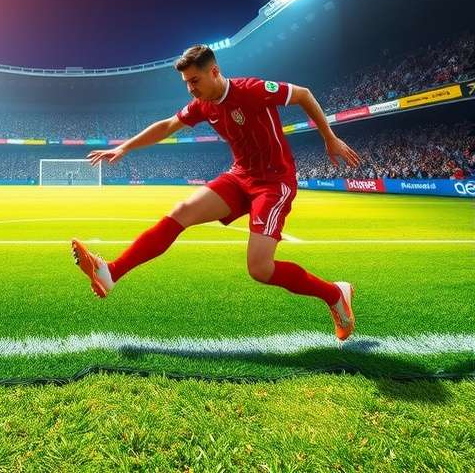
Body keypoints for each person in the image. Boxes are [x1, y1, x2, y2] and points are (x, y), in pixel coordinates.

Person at [71, 44, 363, 340]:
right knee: (180, 212)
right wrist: (124, 147)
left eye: (194, 81)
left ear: (214, 72)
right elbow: (168, 125)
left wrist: (329, 137)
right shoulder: (202, 105)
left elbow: (303, 94)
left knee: (260, 268)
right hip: (239, 176)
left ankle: (334, 294)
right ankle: (112, 273)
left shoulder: (253, 90)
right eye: (186, 83)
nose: (190, 90)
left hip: (274, 183)